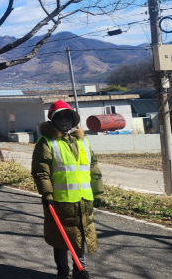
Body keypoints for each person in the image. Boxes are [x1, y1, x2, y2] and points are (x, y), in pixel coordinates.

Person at [31, 100, 103, 279]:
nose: (64, 119)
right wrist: (47, 194)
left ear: (73, 118)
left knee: (82, 236)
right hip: (60, 201)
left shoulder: (83, 142)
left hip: (84, 200)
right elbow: (41, 172)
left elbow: (93, 169)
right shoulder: (46, 142)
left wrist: (98, 192)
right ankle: (63, 272)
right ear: (52, 120)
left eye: (67, 115)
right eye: (59, 116)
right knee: (61, 238)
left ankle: (80, 270)